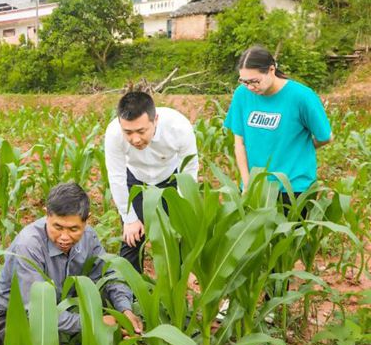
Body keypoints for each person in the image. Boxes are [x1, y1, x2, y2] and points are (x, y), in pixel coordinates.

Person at [0, 182, 142, 345]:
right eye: (57, 227)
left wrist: (125, 310)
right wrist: (95, 323)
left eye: (74, 229)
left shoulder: (89, 237)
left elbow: (108, 275)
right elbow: (36, 311)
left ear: (87, 220)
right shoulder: (29, 245)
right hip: (11, 316)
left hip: (61, 307)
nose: (64, 237)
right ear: (47, 215)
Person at [224, 45, 332, 211]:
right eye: (244, 82)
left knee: (291, 236)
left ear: (271, 70)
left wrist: (299, 150)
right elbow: (239, 143)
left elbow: (326, 137)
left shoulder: (301, 97)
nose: (250, 87)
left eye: (254, 81)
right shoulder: (242, 95)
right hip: (255, 186)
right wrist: (247, 183)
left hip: (294, 188)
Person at [104, 91, 198, 273]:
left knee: (176, 240)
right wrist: (129, 218)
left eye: (141, 131)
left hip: (171, 180)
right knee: (131, 239)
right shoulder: (114, 133)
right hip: (136, 180)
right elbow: (116, 176)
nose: (135, 139)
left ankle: (174, 293)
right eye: (128, 132)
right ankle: (129, 296)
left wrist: (180, 212)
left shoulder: (179, 127)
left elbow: (189, 171)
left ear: (155, 120)